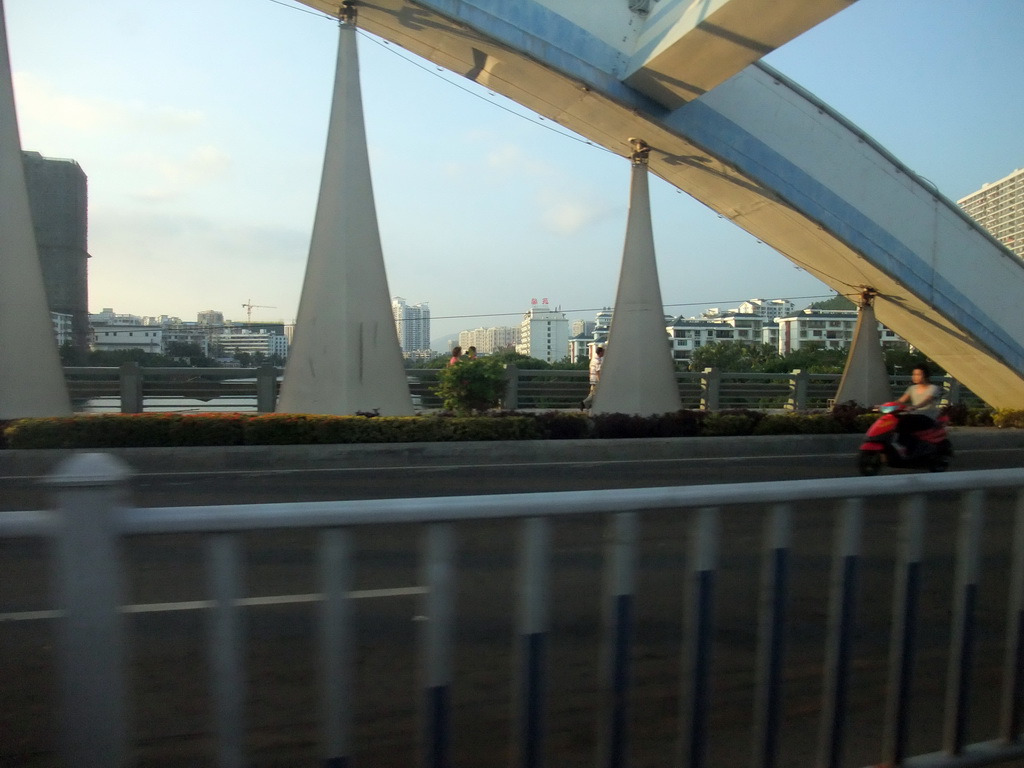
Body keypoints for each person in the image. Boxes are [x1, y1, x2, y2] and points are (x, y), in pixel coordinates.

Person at [895, 362, 941, 447]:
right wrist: (886, 406)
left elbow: (927, 400)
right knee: (896, 419)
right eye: (914, 374)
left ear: (925, 376)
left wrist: (914, 407)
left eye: (918, 374)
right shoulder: (912, 388)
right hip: (915, 416)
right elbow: (901, 400)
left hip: (928, 417)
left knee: (906, 420)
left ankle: (904, 445)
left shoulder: (933, 388)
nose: (914, 376)